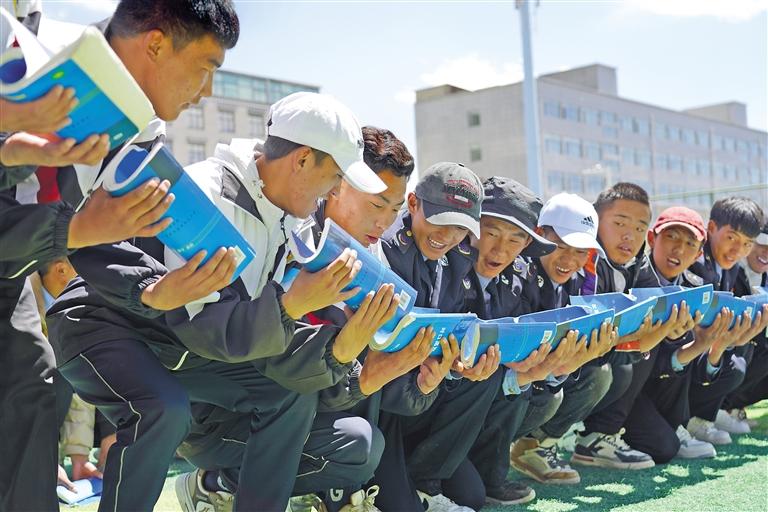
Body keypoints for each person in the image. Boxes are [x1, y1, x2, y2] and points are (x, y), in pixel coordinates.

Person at [49, 92, 388, 512]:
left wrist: (345, 345)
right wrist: (290, 306)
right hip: (101, 323)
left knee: (287, 395)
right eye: (335, 174)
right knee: (162, 409)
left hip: (173, 345)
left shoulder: (292, 219)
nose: (336, 189)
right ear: (301, 160)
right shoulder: (207, 192)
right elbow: (205, 329)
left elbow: (257, 339)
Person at [573, 183, 689, 471]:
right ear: (596, 221)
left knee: (664, 447)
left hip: (617, 378)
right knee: (629, 356)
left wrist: (673, 328)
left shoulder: (640, 263)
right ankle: (592, 435)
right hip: (569, 367)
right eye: (620, 223)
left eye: (639, 228)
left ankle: (606, 434)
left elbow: (656, 309)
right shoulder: (580, 257)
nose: (630, 235)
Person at [686, 197, 767, 443]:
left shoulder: (732, 268)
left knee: (742, 353)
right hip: (676, 356)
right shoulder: (694, 262)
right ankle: (691, 419)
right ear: (711, 228)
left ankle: (712, 413)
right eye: (732, 238)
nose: (737, 250)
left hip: (707, 350)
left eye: (747, 243)